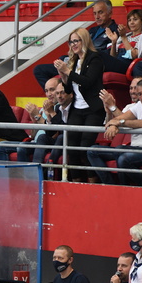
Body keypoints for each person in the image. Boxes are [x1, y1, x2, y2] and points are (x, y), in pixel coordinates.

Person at [53, 27, 105, 181]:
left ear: (84, 40)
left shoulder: (95, 58)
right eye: (71, 42)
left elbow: (87, 82)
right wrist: (63, 76)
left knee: (84, 148)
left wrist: (68, 72)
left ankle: (92, 182)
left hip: (93, 109)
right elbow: (69, 89)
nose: (73, 44)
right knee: (71, 148)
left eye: (76, 41)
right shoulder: (74, 61)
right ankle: (76, 182)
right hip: (77, 108)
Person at [33, 0, 117, 89]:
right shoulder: (92, 30)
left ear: (110, 13)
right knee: (39, 70)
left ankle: (64, 91)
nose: (97, 17)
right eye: (94, 13)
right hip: (77, 60)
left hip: (91, 63)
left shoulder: (116, 31)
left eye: (100, 12)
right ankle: (55, 94)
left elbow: (110, 58)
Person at [87, 77, 142, 184]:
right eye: (131, 88)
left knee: (121, 152)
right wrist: (110, 114)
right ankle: (109, 185)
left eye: (136, 88)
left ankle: (125, 186)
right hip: (131, 148)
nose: (132, 91)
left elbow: (127, 122)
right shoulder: (129, 106)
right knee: (92, 151)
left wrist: (113, 107)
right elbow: (114, 122)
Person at [102, 9, 142, 75]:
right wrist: (114, 42)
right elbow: (113, 56)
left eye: (135, 19)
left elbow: (134, 56)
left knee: (97, 55)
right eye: (129, 20)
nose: (131, 22)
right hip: (117, 62)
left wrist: (123, 37)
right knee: (95, 55)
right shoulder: (127, 36)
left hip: (129, 65)